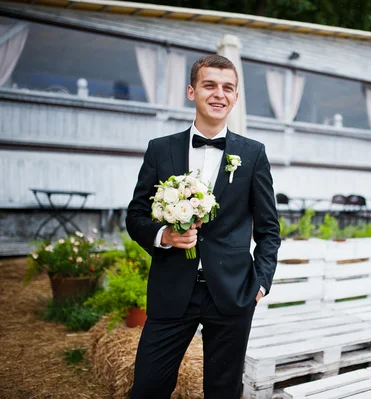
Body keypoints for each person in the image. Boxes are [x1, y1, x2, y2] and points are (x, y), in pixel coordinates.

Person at [126, 54, 280, 399]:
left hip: (233, 293)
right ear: (191, 91)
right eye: (209, 85)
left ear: (236, 98)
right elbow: (135, 215)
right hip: (171, 289)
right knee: (147, 388)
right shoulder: (160, 150)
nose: (218, 94)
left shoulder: (253, 154)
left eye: (228, 88)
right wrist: (164, 236)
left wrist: (261, 284)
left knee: (223, 391)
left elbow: (269, 229)